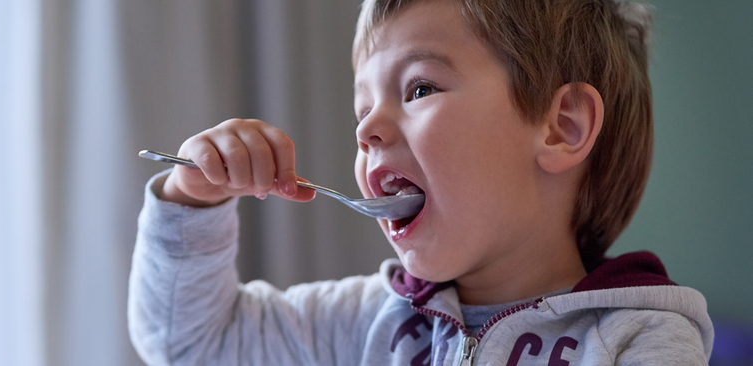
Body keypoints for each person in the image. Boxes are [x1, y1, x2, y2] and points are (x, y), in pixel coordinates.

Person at [128, 0, 714, 364]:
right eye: (362, 112)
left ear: (562, 127)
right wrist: (193, 206)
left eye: (419, 89)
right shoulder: (358, 325)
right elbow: (190, 345)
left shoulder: (643, 340)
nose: (368, 130)